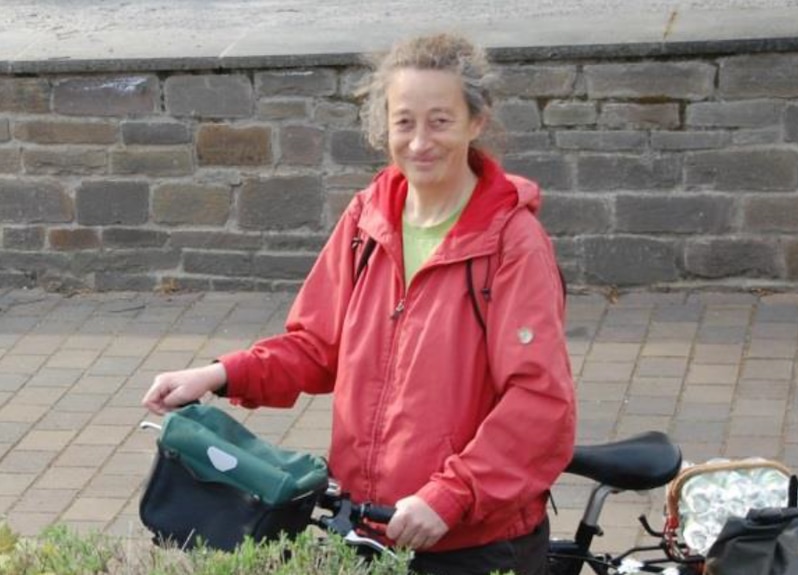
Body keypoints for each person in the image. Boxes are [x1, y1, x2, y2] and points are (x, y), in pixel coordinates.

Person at [142, 32, 576, 575]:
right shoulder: (367, 220)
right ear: (383, 127)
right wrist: (220, 375)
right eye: (404, 122)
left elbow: (539, 404)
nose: (420, 141)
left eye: (440, 120)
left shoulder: (512, 242)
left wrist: (451, 495)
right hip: (367, 526)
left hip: (470, 543)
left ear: (476, 122)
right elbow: (317, 345)